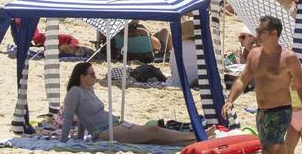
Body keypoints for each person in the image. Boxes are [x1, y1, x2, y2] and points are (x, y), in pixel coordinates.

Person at [59, 62, 199, 145]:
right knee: (153, 131)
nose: (95, 77)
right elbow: (69, 116)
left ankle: (195, 141)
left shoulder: (89, 90)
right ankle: (198, 135)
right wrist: (63, 142)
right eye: (92, 74)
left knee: (153, 139)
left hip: (115, 125)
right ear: (81, 77)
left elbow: (84, 117)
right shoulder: (74, 92)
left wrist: (79, 138)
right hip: (103, 131)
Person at [225, 16, 302, 154]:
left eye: (261, 31)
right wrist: (230, 100)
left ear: (274, 33)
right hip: (262, 111)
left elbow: (301, 86)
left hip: (280, 112)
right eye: (257, 30)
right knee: (279, 148)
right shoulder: (254, 55)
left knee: (268, 150)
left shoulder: (289, 58)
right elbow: (242, 79)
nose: (256, 34)